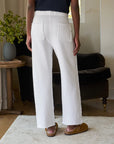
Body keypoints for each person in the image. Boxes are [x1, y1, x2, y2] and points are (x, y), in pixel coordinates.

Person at [26, 0, 88, 137]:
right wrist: (77, 35)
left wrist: (28, 33)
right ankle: (72, 125)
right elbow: (74, 6)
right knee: (68, 72)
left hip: (38, 22)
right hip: (60, 22)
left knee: (41, 75)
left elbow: (30, 5)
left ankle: (48, 126)